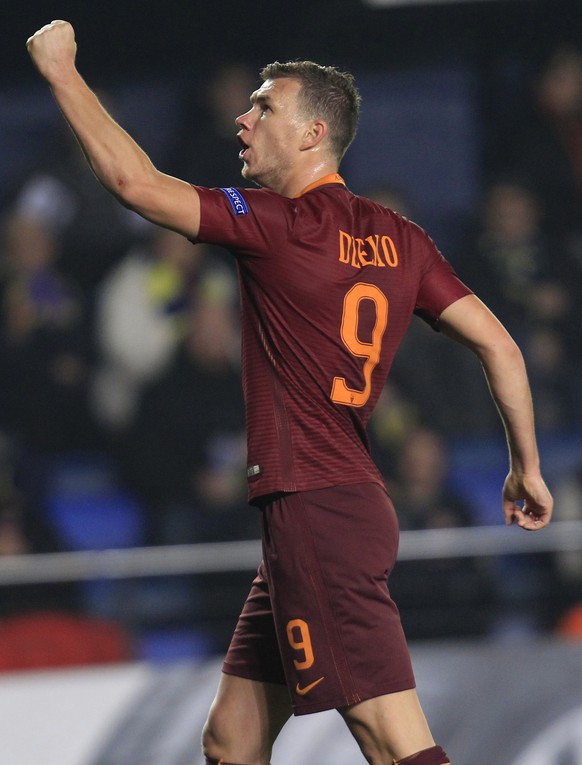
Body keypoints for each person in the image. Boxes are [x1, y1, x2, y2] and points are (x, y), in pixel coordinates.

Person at [26, 20, 554, 765]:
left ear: (312, 134)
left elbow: (134, 184)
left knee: (391, 738)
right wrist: (524, 465)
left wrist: (62, 75)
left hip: (317, 509)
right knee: (231, 738)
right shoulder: (400, 237)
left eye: (263, 108)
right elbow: (501, 344)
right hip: (336, 505)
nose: (242, 120)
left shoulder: (276, 225)